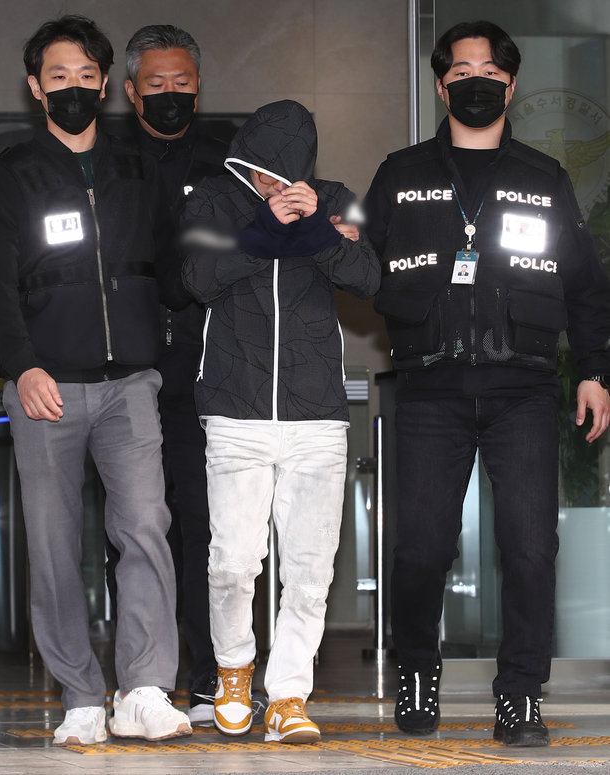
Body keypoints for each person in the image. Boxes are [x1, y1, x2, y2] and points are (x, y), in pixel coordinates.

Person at [365, 20, 610, 747]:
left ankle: (521, 696)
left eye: (490, 72)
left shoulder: (544, 177)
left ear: (511, 84)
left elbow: (585, 285)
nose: (476, 82)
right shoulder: (400, 173)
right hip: (429, 390)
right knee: (420, 550)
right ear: (441, 87)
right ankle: (416, 673)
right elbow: (357, 264)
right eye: (461, 72)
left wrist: (594, 370)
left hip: (522, 390)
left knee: (531, 548)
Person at [0, 15, 192, 745]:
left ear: (104, 84)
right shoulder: (11, 174)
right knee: (52, 541)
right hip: (46, 386)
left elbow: (177, 264)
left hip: (131, 382)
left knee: (146, 526)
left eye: (85, 75)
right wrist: (22, 364)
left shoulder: (138, 170)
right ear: (36, 87)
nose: (73, 87)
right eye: (58, 76)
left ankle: (143, 688)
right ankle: (79, 695)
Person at [172, 99, 380, 743]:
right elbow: (199, 277)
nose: (274, 183)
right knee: (232, 563)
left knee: (311, 570)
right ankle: (234, 671)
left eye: (285, 175)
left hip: (317, 415)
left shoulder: (339, 200)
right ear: (245, 162)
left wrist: (317, 227)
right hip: (234, 410)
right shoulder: (212, 201)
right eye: (262, 171)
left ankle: (290, 694)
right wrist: (265, 227)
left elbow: (369, 276)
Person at [120, 23, 226, 725]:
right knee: (134, 527)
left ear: (197, 86)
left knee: (205, 524)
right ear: (130, 92)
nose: (169, 94)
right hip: (125, 370)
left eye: (180, 82)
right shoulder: (106, 160)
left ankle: (210, 675)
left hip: (203, 370)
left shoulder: (226, 161)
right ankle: (142, 679)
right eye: (155, 84)